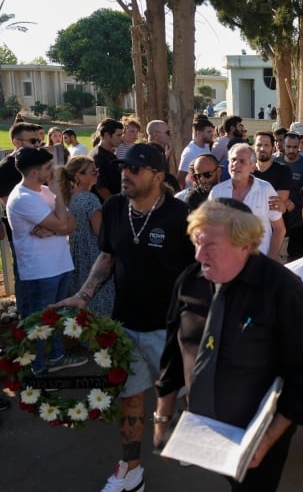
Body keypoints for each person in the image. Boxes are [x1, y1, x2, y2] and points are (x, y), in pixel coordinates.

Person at [53, 143, 194, 492]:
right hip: (126, 323)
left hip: (171, 329)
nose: (124, 174)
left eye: (134, 169)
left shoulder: (181, 216)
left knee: (180, 394)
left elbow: (199, 272)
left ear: (158, 177)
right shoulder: (114, 207)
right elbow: (108, 256)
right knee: (130, 398)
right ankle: (131, 471)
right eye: (122, 168)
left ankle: (184, 434)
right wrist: (84, 295)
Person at [155, 199, 303, 491]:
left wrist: (267, 440)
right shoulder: (189, 281)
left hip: (258, 433)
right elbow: (172, 353)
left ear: (245, 245)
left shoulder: (284, 291)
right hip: (204, 425)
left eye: (210, 247)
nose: (198, 255)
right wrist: (162, 418)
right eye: (196, 243)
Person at [7, 147, 82, 376]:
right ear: (33, 172)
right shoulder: (23, 198)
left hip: (59, 265)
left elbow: (72, 223)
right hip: (40, 272)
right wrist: (59, 206)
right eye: (48, 168)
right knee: (39, 323)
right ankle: (37, 370)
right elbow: (63, 224)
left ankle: (56, 356)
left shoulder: (44, 192)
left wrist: (55, 229)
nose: (53, 171)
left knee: (55, 318)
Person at [57, 156, 115, 317]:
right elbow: (100, 231)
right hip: (93, 254)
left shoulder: (69, 197)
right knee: (100, 299)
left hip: (76, 253)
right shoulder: (89, 199)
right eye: (92, 171)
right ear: (78, 176)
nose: (97, 173)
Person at [209, 144, 285, 259]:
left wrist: (270, 261)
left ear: (252, 167)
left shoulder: (265, 190)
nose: (236, 164)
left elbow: (279, 229)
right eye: (233, 160)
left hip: (258, 263)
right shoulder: (217, 192)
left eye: (242, 161)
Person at [275, 132, 303, 261]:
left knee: (297, 261)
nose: (291, 150)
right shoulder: (275, 164)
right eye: (288, 147)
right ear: (282, 146)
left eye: (295, 147)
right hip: (277, 222)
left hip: (298, 223)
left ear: (300, 146)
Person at [89, 118, 124, 202]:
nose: (121, 139)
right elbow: (102, 189)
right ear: (106, 135)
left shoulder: (109, 153)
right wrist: (114, 207)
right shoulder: (98, 157)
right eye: (118, 135)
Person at [178, 116, 216, 188]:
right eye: (209, 132)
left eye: (212, 131)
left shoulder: (206, 146)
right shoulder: (190, 152)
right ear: (198, 133)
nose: (212, 134)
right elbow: (180, 179)